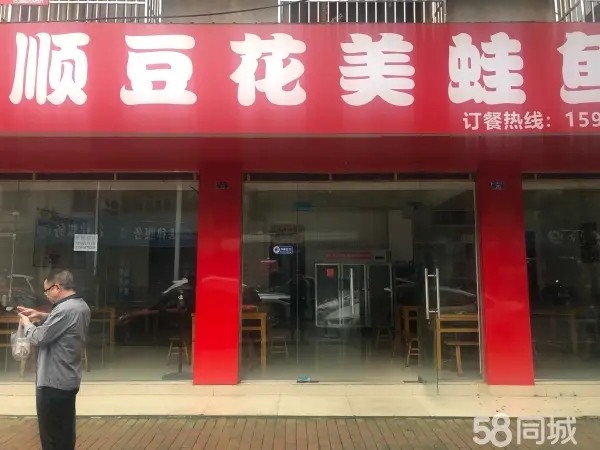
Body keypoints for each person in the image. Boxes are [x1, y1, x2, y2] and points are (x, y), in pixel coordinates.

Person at [17, 269, 91, 450]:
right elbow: (62, 323)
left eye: (47, 291)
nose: (47, 295)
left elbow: (40, 337)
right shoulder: (80, 305)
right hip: (66, 378)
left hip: (53, 382)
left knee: (52, 438)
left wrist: (27, 324)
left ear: (57, 287)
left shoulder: (65, 309)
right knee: (64, 433)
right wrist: (41, 315)